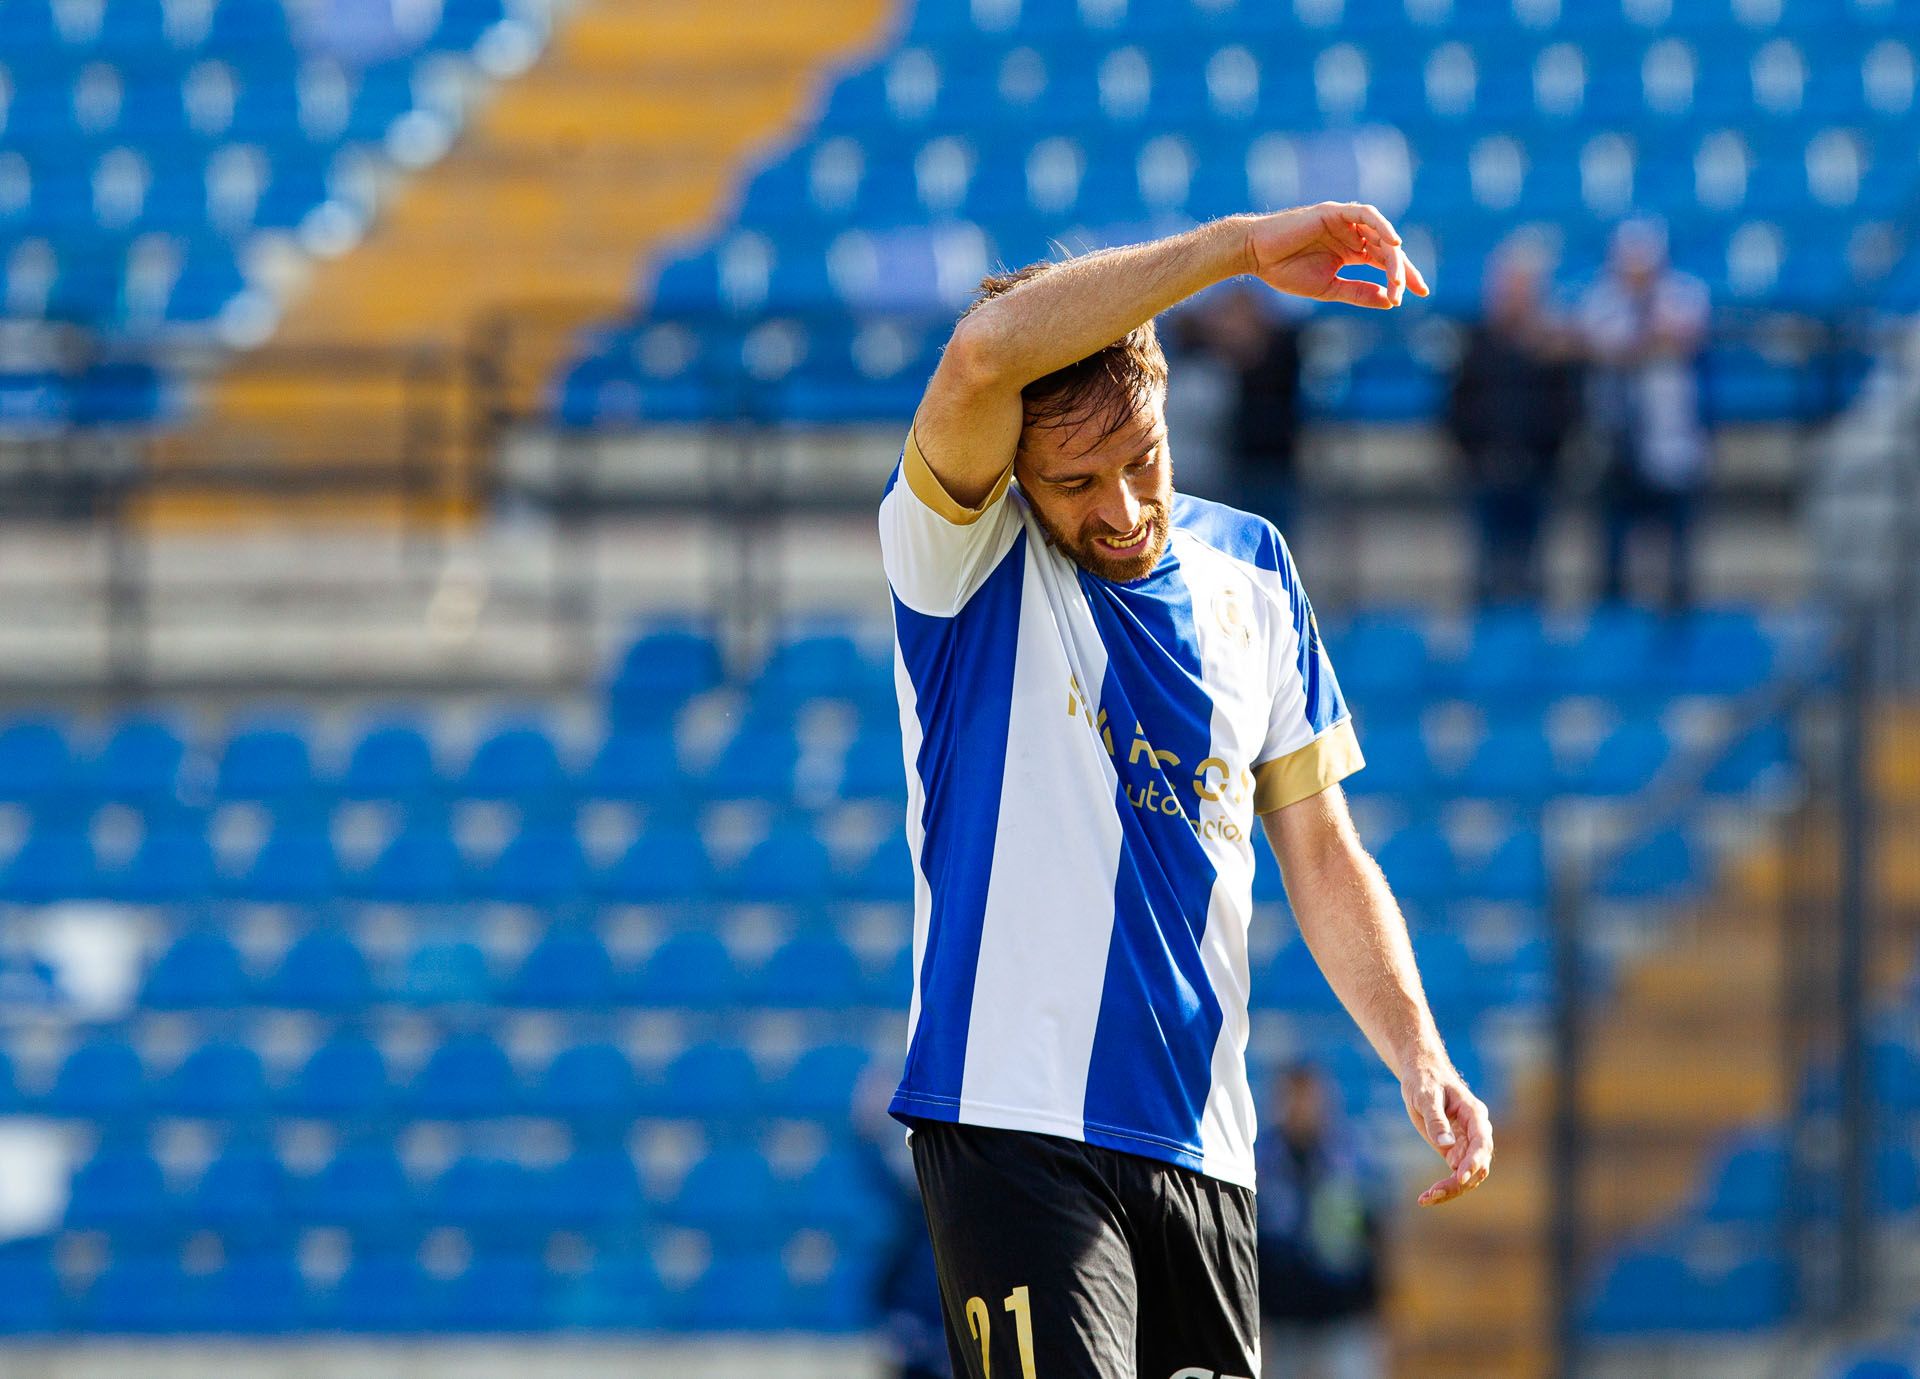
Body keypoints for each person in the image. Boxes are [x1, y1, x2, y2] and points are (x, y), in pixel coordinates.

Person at [876, 204, 1494, 1379]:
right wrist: (1243, 253)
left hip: (1209, 1152)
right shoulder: (959, 557)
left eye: (1140, 461)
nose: (1117, 507)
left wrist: (1416, 1050)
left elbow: (1322, 852)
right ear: (1012, 466)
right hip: (1015, 1128)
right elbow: (980, 352)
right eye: (1074, 481)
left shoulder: (1252, 570)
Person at [1578, 218, 1712, 610]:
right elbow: (1604, 343)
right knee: (1613, 552)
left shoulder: (1683, 294)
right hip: (1617, 446)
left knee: (1678, 554)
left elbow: (1683, 337)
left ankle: (1678, 623)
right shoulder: (1601, 299)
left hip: (1674, 442)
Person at [1445, 240, 1583, 604]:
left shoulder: (1551, 347)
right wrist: (1474, 456)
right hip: (1484, 472)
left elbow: (1567, 408)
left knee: (1534, 572)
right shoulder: (1474, 343)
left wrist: (1548, 453)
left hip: (1537, 470)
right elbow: (1456, 406)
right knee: (1486, 573)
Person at [1257, 1063, 1386, 1379]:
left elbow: (1375, 1232)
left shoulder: (1352, 1159)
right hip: (1282, 1319)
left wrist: (1378, 1306)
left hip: (1343, 1313)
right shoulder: (1260, 1163)